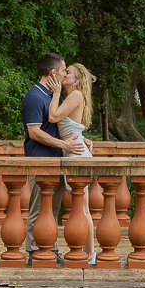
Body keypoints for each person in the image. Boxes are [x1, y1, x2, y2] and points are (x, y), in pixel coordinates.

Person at [20, 53, 92, 264]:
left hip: (57, 160)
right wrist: (65, 145)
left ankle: (50, 248)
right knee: (37, 208)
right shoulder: (35, 97)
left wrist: (81, 138)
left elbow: (61, 124)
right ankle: (34, 252)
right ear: (53, 72)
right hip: (40, 160)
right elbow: (35, 132)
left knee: (52, 209)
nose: (64, 74)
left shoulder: (54, 95)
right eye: (63, 70)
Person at [49, 63, 97, 263]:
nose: (64, 73)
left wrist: (55, 93)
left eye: (68, 72)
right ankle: (88, 253)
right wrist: (82, 136)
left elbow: (52, 117)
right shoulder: (70, 96)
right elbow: (72, 125)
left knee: (82, 207)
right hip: (73, 150)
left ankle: (91, 254)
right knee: (79, 206)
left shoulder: (75, 95)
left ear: (77, 80)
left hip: (76, 154)